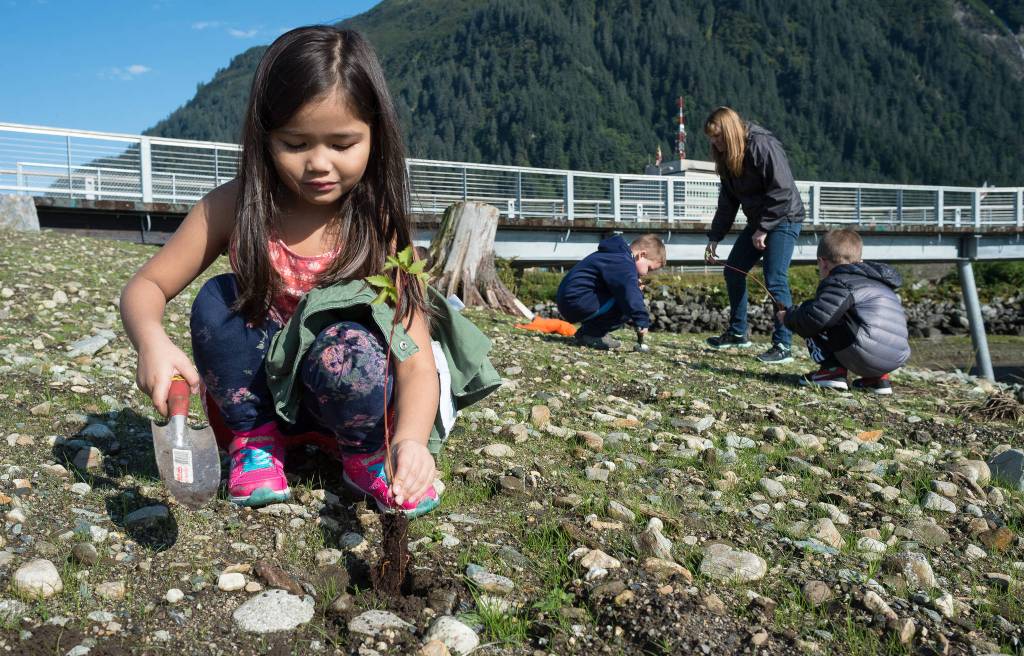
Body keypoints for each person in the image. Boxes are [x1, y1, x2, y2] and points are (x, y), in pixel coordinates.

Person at [120, 27, 479, 517]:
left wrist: (411, 441)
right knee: (218, 301)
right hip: (257, 399)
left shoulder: (379, 229)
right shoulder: (235, 206)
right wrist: (151, 342)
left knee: (351, 345)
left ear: (376, 134)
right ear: (265, 135)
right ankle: (257, 443)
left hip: (344, 408)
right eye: (295, 142)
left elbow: (413, 356)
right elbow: (147, 285)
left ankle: (366, 455)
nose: (319, 164)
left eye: (343, 143)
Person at [703, 107, 804, 364]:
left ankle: (783, 344)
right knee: (734, 269)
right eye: (711, 138)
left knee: (775, 279)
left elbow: (781, 189)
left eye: (718, 137)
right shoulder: (727, 157)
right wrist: (715, 237)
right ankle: (738, 332)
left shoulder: (762, 144)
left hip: (783, 217)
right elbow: (727, 203)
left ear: (730, 131)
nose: (715, 143)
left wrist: (764, 228)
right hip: (760, 220)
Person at [777, 229, 910, 395]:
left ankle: (832, 370)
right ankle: (877, 380)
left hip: (863, 353)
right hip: (896, 357)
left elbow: (816, 318)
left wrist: (789, 317)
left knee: (811, 311)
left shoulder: (839, 281)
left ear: (822, 263)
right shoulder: (881, 283)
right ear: (860, 261)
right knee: (856, 317)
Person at [556, 233, 664, 349]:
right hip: (576, 301)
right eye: (649, 268)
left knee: (626, 294)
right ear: (642, 255)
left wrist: (633, 286)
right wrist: (641, 319)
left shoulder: (615, 255)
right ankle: (592, 334)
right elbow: (628, 293)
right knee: (625, 302)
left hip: (572, 299)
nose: (647, 273)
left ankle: (592, 332)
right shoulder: (623, 262)